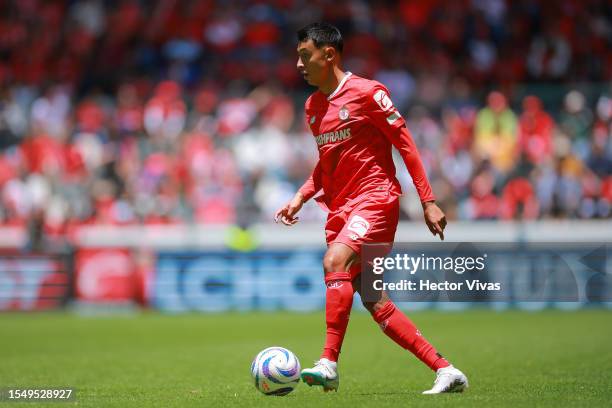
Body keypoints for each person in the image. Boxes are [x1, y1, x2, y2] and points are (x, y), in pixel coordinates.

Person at [274, 23, 468, 394]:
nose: (298, 65)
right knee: (374, 299)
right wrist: (301, 195)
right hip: (341, 209)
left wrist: (427, 200)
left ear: (328, 54)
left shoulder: (368, 93)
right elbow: (326, 162)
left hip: (376, 200)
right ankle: (446, 369)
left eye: (304, 56)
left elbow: (405, 143)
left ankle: (328, 362)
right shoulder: (313, 107)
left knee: (334, 263)